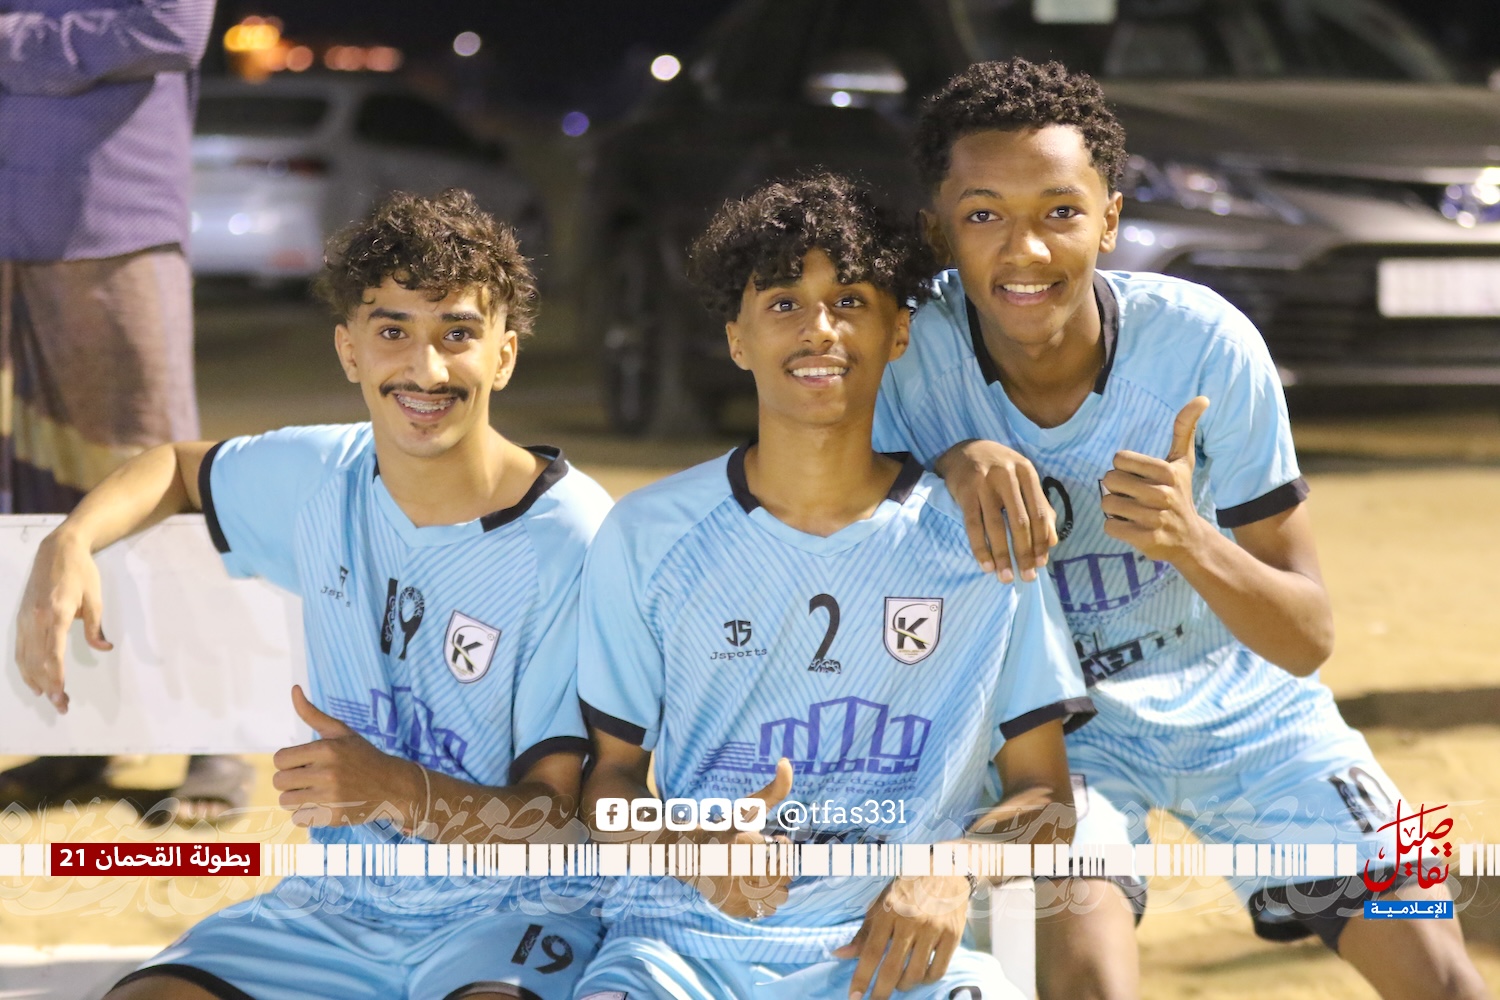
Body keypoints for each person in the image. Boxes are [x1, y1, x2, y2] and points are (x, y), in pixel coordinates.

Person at [873, 58, 1492, 1000]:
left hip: (1260, 717)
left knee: (1440, 971)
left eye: (1061, 211)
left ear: (1111, 220)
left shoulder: (1207, 342)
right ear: (939, 231)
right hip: (1056, 744)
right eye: (985, 214)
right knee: (1087, 980)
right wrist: (950, 463)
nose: (1025, 249)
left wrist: (1191, 541)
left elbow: (1309, 638)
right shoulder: (906, 359)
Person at [13, 190, 611, 1000]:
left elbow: (559, 828)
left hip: (511, 917)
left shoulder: (572, 538)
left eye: (457, 334)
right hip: (336, 911)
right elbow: (178, 468)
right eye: (393, 331)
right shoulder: (322, 474)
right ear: (349, 350)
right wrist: (70, 541)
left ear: (503, 355)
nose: (425, 369)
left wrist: (394, 790)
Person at [573, 174, 1094, 1000]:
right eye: (784, 303)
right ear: (737, 338)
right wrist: (687, 847)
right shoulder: (649, 534)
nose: (819, 328)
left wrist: (950, 868)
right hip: (681, 953)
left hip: (896, 962)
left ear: (898, 332)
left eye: (850, 301)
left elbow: (1049, 802)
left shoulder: (980, 539)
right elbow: (606, 789)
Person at [0, 0, 250, 822]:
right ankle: (84, 730)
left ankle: (217, 735)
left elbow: (170, 26)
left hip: (113, 220)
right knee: (40, 489)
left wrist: (13, 42)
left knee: (156, 480)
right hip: (14, 229)